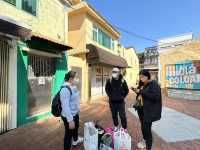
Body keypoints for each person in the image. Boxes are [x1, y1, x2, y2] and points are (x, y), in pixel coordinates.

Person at [131, 69, 162, 150]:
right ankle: (145, 141)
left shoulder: (153, 84)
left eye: (143, 77)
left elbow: (156, 97)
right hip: (141, 109)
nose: (141, 79)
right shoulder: (142, 84)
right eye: (140, 77)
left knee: (147, 130)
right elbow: (141, 94)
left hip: (149, 111)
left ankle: (148, 147)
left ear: (147, 76)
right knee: (143, 127)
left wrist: (141, 91)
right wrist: (136, 90)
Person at [60, 71, 83, 150]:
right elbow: (65, 107)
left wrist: (77, 109)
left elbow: (74, 99)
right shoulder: (65, 89)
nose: (77, 79)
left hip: (75, 113)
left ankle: (75, 140)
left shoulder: (72, 86)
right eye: (76, 77)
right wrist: (70, 120)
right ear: (71, 78)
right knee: (68, 135)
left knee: (76, 128)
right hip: (69, 116)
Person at [105, 67, 129, 131]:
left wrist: (122, 96)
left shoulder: (122, 80)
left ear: (118, 73)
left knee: (122, 115)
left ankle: (124, 128)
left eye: (115, 72)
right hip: (112, 102)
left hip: (120, 102)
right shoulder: (109, 80)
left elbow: (127, 90)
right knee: (114, 115)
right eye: (113, 72)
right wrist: (110, 96)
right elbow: (107, 89)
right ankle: (116, 126)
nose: (114, 73)